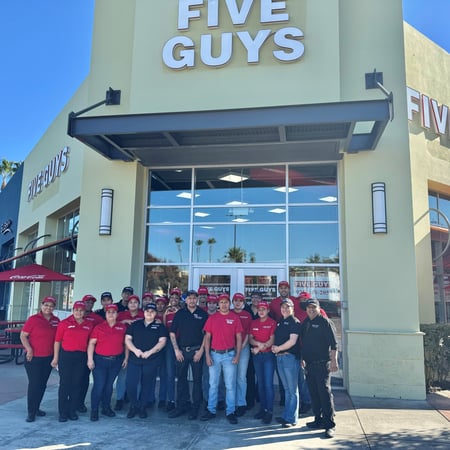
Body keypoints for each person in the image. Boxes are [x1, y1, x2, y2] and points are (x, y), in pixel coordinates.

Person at [201, 293, 243, 424]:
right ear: (218, 304)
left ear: (229, 303)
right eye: (221, 302)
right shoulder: (212, 318)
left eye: (226, 302)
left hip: (229, 355)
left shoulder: (234, 318)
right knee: (213, 384)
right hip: (214, 355)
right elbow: (207, 337)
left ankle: (230, 411)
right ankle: (211, 410)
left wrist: (237, 355)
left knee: (230, 385)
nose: (223, 304)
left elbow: (239, 338)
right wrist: (207, 355)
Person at [301, 298, 339, 439]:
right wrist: (302, 358)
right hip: (309, 365)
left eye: (313, 307)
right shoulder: (306, 322)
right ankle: (318, 420)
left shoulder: (325, 322)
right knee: (314, 393)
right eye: (308, 308)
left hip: (323, 364)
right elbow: (304, 343)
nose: (311, 310)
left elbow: (334, 345)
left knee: (324, 394)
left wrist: (334, 362)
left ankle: (329, 425)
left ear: (318, 308)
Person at [168, 289, 208, 420]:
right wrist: (176, 350)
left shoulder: (203, 314)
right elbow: (172, 332)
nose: (191, 300)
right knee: (181, 380)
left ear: (197, 299)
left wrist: (201, 351)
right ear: (186, 300)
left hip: (197, 351)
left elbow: (207, 335)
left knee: (197, 381)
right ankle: (181, 406)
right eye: (189, 298)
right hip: (182, 351)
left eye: (194, 298)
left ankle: (195, 408)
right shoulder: (180, 314)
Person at [20, 296, 60, 422]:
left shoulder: (56, 320)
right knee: (34, 384)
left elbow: (57, 340)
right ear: (41, 305)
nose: (48, 308)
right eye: (46, 305)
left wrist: (56, 356)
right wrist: (29, 349)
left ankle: (37, 407)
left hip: (47, 358)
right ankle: (31, 411)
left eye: (51, 305)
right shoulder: (33, 319)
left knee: (42, 385)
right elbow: (23, 336)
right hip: (33, 358)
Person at [51, 301, 93, 422]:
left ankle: (72, 410)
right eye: (76, 310)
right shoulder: (64, 323)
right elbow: (57, 341)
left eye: (81, 310)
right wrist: (55, 358)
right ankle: (63, 412)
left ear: (84, 312)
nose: (78, 312)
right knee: (65, 384)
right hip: (66, 356)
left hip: (81, 356)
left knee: (76, 384)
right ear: (73, 310)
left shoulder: (88, 324)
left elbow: (91, 342)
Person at [125, 303, 168, 419]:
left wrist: (150, 352)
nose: (149, 313)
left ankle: (142, 407)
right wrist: (135, 350)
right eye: (147, 311)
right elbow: (128, 339)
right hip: (135, 359)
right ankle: (134, 405)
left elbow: (162, 342)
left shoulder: (160, 326)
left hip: (151, 360)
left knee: (147, 385)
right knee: (130, 384)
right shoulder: (135, 324)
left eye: (152, 311)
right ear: (143, 312)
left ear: (155, 313)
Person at [87, 304, 128, 421]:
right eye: (108, 312)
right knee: (99, 386)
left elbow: (126, 344)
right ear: (105, 314)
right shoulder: (99, 327)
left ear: (117, 314)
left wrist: (126, 358)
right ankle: (94, 410)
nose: (111, 314)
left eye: (113, 312)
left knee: (109, 386)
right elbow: (91, 343)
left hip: (116, 361)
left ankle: (106, 407)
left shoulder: (122, 327)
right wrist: (90, 359)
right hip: (100, 361)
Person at [272, 298, 301, 428]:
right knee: (287, 389)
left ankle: (292, 418)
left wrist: (278, 348)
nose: (284, 309)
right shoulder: (281, 321)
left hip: (289, 358)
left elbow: (292, 341)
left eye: (287, 307)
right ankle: (286, 416)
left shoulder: (294, 322)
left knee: (292, 390)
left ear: (292, 308)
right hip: (280, 358)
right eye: (283, 307)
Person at [249, 301, 276, 424]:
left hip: (268, 356)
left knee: (268, 384)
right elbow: (250, 338)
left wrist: (258, 347)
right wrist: (258, 345)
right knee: (260, 383)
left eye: (264, 309)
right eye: (259, 309)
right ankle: (263, 409)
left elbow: (271, 340)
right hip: (257, 357)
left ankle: (269, 411)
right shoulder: (253, 322)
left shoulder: (272, 322)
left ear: (268, 310)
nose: (261, 311)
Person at [115, 294, 143, 411]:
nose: (133, 304)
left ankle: (135, 402)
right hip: (122, 348)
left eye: (135, 302)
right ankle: (119, 399)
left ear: (138, 304)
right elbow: (112, 324)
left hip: (138, 349)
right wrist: (124, 321)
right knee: (122, 376)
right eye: (131, 302)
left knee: (138, 378)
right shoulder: (121, 315)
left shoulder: (142, 315)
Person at [78, 294, 104, 413]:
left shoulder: (97, 318)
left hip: (90, 353)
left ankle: (80, 403)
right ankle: (72, 402)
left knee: (84, 379)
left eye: (91, 302)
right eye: (87, 302)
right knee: (74, 379)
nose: (89, 304)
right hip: (76, 352)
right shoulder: (76, 317)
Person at [159, 288, 181, 411]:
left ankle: (184, 400)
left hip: (181, 343)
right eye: (172, 298)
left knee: (182, 374)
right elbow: (163, 328)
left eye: (176, 298)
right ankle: (171, 399)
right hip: (169, 345)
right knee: (170, 373)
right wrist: (165, 315)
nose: (174, 300)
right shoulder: (166, 312)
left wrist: (178, 313)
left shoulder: (182, 311)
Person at [231, 292, 252, 417]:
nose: (238, 303)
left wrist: (242, 346)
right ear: (233, 302)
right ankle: (231, 403)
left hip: (243, 348)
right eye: (236, 300)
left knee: (241, 377)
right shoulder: (229, 313)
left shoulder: (247, 315)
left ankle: (241, 403)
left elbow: (249, 333)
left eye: (240, 300)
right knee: (230, 378)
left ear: (243, 303)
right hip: (230, 349)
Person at [244, 290, 262, 409]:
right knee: (249, 374)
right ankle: (249, 400)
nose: (255, 299)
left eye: (257, 297)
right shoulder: (246, 310)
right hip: (247, 346)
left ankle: (259, 396)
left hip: (262, 347)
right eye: (253, 297)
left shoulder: (264, 311)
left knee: (261, 375)